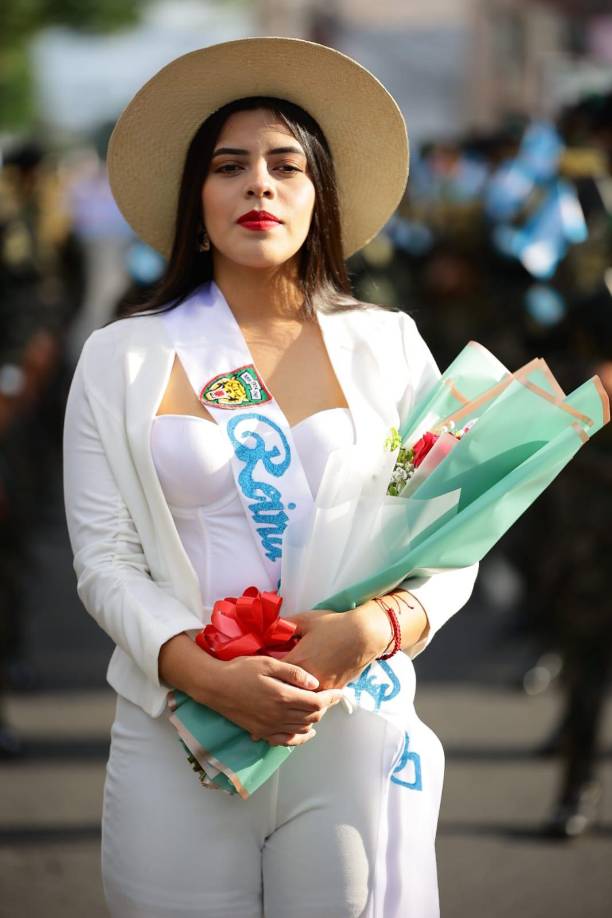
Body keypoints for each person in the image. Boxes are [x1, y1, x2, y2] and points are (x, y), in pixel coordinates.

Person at [62, 37, 478, 917]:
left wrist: (377, 625)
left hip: (350, 726)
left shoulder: (389, 343)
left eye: (287, 166)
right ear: (195, 198)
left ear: (318, 193)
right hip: (181, 732)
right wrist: (202, 674)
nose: (260, 185)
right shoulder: (121, 357)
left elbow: (455, 536)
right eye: (229, 165)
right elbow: (104, 561)